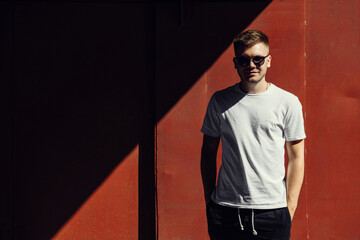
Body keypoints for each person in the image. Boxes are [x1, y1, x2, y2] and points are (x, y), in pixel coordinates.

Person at [200, 30, 306, 240]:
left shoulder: (287, 102)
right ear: (235, 62)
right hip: (226, 211)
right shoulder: (219, 101)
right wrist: (209, 199)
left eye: (258, 59)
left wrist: (289, 207)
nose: (251, 65)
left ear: (268, 61)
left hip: (272, 212)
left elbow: (296, 157)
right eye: (244, 60)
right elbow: (208, 151)